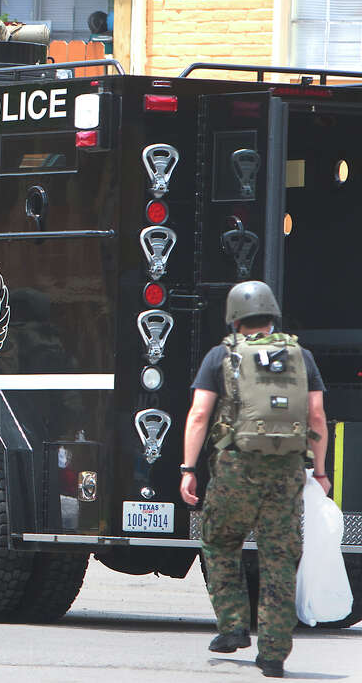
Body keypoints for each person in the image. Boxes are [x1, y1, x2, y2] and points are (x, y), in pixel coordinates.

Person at [179, 281, 330, 679]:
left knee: (219, 541)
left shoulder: (220, 356)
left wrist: (188, 468)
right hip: (285, 472)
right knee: (280, 557)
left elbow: (198, 414)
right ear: (271, 315)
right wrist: (321, 471)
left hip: (236, 470)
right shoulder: (301, 357)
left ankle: (232, 626)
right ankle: (274, 654)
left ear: (234, 317)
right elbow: (316, 416)